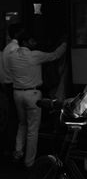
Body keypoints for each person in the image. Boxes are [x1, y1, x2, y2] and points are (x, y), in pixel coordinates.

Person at [9, 31, 67, 167]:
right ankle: (29, 162)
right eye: (32, 41)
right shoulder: (34, 56)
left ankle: (18, 152)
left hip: (17, 93)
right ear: (25, 42)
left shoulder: (11, 57)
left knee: (22, 123)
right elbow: (55, 55)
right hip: (33, 94)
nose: (35, 43)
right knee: (32, 129)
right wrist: (65, 43)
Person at [0, 23, 24, 156]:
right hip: (14, 85)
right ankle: (13, 147)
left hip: (7, 84)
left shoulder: (7, 48)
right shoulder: (16, 49)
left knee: (11, 117)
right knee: (16, 119)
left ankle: (8, 147)